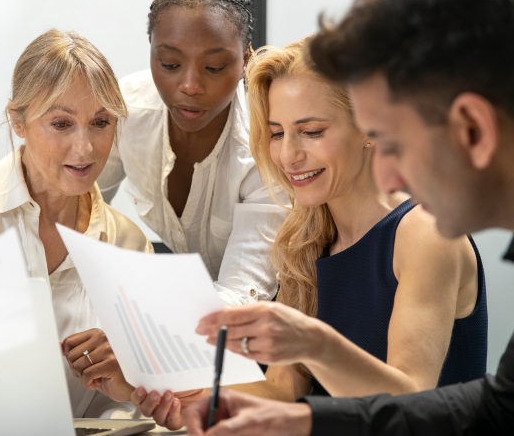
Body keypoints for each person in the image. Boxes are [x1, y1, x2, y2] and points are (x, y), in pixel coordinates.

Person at [183, 0, 514, 436]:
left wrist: (316, 348)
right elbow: (504, 405)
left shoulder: (421, 233)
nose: (390, 170)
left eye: (396, 143)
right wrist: (301, 419)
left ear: (472, 128)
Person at [194, 38, 486, 401]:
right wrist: (169, 389)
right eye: (277, 133)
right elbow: (283, 390)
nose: (288, 155)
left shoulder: (427, 233)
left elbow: (408, 401)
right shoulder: (306, 239)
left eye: (312, 132)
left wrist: (313, 343)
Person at [0, 29, 152, 418]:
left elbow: (132, 409)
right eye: (61, 124)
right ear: (18, 120)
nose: (85, 148)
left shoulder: (128, 246)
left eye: (101, 122)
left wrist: (130, 380)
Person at [97, 0, 288, 307]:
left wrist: (138, 331)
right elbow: (76, 208)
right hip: (184, 303)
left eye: (214, 67)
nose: (189, 86)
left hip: (277, 319)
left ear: (245, 60)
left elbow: (239, 296)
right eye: (169, 63)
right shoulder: (128, 111)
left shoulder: (267, 149)